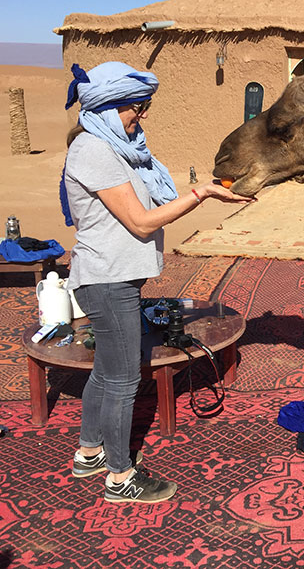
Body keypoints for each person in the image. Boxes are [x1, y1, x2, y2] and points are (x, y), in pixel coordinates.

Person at [60, 61, 252, 503]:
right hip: (107, 281)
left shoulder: (120, 150)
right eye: (135, 107)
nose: (140, 116)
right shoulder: (94, 150)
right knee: (125, 379)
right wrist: (199, 194)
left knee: (107, 371)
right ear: (109, 106)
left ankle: (89, 452)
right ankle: (119, 476)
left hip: (113, 278)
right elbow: (142, 223)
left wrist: (206, 188)